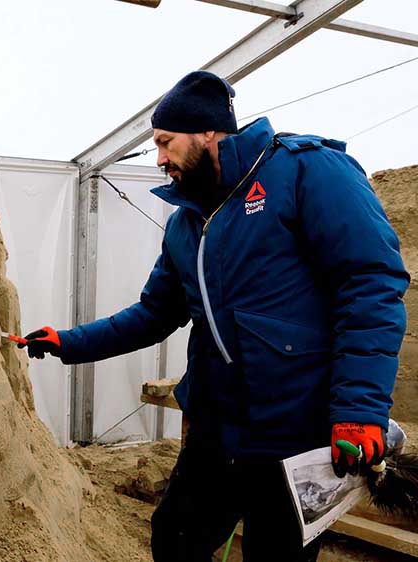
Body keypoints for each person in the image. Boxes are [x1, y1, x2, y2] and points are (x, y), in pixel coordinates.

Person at [21, 70, 410, 561]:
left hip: (294, 432)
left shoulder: (308, 171)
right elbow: (154, 313)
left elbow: (371, 284)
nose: (159, 158)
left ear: (207, 131)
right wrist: (68, 342)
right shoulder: (187, 222)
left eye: (165, 142)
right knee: (174, 541)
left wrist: (358, 411)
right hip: (216, 429)